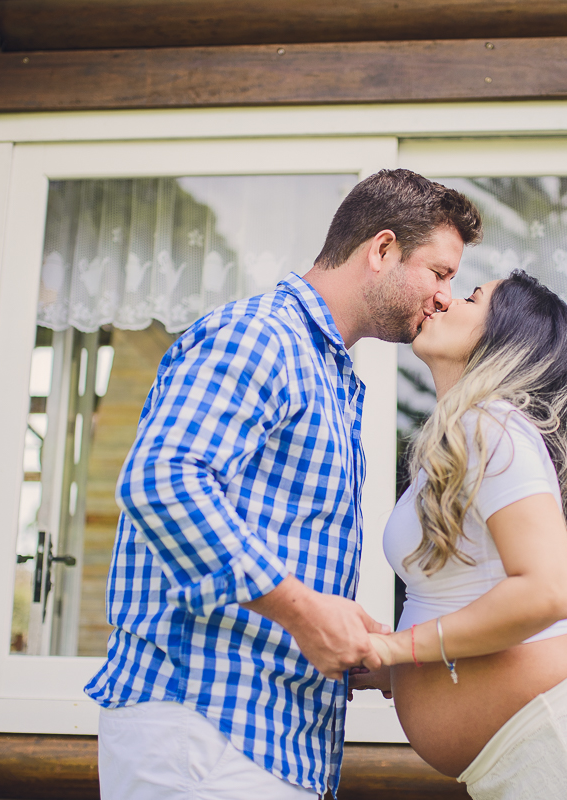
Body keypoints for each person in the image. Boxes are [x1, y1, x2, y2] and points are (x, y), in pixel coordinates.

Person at [84, 169, 483, 800]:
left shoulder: (329, 369)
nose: (444, 296)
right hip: (205, 727)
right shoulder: (261, 336)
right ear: (381, 251)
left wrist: (348, 631)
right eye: (439, 273)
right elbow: (163, 479)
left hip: (260, 739)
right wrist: (302, 612)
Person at [354, 270, 567, 799]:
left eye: (472, 297)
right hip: (541, 759)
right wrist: (399, 671)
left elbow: (546, 593)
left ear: (506, 339)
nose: (444, 299)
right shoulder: (472, 433)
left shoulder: (491, 426)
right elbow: (479, 593)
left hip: (565, 759)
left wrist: (399, 650)